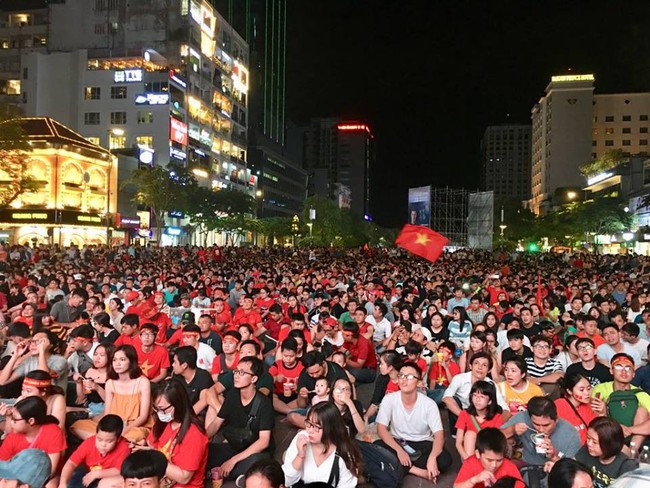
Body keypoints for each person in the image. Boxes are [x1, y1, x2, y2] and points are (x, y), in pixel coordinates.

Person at [376, 362, 452, 482]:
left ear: (418, 382)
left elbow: (439, 436)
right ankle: (418, 471)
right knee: (377, 447)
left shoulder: (429, 404)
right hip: (399, 442)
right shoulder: (389, 399)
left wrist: (432, 458)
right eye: (401, 375)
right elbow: (381, 429)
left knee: (445, 460)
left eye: (410, 376)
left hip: (422, 444)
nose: (404, 380)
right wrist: (399, 450)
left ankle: (401, 466)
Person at [206, 356, 274, 479]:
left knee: (258, 463)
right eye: (236, 371)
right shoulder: (232, 395)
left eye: (242, 373)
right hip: (235, 446)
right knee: (204, 451)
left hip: (255, 451)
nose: (236, 375)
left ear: (253, 379)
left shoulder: (264, 403)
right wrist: (199, 441)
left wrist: (233, 461)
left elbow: (264, 442)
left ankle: (225, 472)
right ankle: (238, 474)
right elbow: (216, 423)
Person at [134, 380, 208, 488]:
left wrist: (153, 455)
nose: (159, 413)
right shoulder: (163, 423)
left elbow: (184, 477)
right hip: (158, 480)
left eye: (162, 409)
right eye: (156, 408)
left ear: (178, 405)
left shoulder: (194, 433)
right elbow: (152, 446)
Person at [72, 345, 152, 442]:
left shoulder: (143, 382)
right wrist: (108, 431)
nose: (117, 363)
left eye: (122, 359)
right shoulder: (110, 383)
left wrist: (123, 432)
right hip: (113, 425)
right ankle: (108, 441)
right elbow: (107, 413)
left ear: (131, 361)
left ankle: (107, 441)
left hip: (134, 426)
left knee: (134, 435)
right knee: (77, 426)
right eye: (114, 360)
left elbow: (143, 417)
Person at [282, 402, 361, 488]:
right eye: (309, 423)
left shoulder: (344, 453)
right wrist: (300, 456)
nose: (310, 430)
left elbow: (347, 485)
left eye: (316, 427)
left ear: (331, 428)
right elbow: (286, 481)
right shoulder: (301, 438)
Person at [0, 396, 66, 484]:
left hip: (45, 478)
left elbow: (51, 471)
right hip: (16, 478)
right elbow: (2, 467)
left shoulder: (53, 431)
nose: (11, 422)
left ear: (31, 421)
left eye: (15, 419)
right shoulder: (12, 437)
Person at [501, 396, 582, 466]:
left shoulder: (571, 434)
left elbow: (572, 469)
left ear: (556, 419)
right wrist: (511, 430)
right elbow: (493, 438)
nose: (540, 429)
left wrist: (555, 455)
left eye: (546, 425)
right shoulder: (523, 418)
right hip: (525, 465)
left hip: (554, 471)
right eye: (536, 424)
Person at [59, 414, 131, 488]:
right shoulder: (89, 443)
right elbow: (71, 463)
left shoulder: (124, 447)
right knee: (73, 479)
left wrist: (97, 474)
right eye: (99, 439)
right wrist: (62, 483)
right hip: (88, 473)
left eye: (109, 441)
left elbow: (120, 470)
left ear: (118, 439)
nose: (103, 444)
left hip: (109, 478)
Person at [574, 417, 637, 488]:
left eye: (594, 442)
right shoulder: (586, 450)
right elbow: (571, 470)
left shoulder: (627, 466)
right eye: (588, 438)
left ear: (609, 444)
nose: (589, 443)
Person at [453, 428, 522, 488]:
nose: (494, 465)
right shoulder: (470, 463)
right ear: (478, 454)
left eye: (499, 460)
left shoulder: (510, 467)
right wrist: (473, 480)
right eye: (489, 460)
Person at [455, 381, 505, 461]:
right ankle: (470, 469)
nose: (477, 399)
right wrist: (466, 459)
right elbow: (458, 442)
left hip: (488, 455)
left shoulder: (497, 417)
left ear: (490, 401)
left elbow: (496, 443)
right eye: (474, 395)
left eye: (482, 397)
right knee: (469, 434)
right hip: (468, 455)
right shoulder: (464, 414)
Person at [554, 373, 597, 444]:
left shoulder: (590, 405)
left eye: (589, 388)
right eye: (581, 390)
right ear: (569, 391)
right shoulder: (558, 405)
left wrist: (602, 413)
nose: (587, 393)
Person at [171, 346, 214, 411]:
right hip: (183, 412)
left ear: (184, 365)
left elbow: (203, 401)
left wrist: (186, 418)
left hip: (200, 414)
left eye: (175, 362)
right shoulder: (176, 376)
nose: (173, 365)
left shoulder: (203, 376)